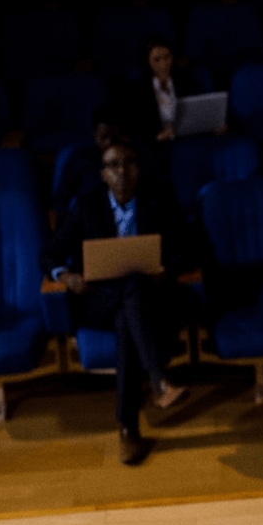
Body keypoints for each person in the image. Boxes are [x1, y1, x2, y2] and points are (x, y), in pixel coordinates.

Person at [41, 143, 191, 466]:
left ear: (138, 168)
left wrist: (168, 268)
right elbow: (49, 253)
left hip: (149, 299)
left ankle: (128, 429)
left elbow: (189, 247)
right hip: (98, 301)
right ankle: (157, 378)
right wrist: (67, 276)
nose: (121, 171)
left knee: (129, 312)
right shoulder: (86, 206)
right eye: (113, 165)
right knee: (128, 296)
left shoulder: (158, 200)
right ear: (103, 174)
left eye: (128, 163)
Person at [118, 35, 207, 144]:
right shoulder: (135, 91)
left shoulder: (187, 83)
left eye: (167, 57)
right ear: (147, 62)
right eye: (157, 60)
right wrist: (157, 137)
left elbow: (199, 115)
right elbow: (131, 130)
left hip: (188, 141)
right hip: (156, 148)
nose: (164, 64)